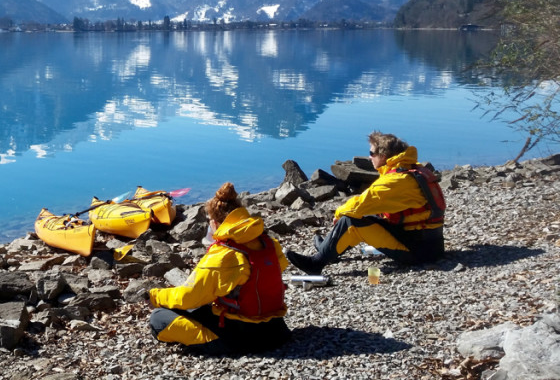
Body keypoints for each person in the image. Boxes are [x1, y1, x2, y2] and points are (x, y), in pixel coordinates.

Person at [148, 182, 291, 353]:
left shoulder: (224, 255)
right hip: (277, 329)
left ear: (215, 223)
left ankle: (217, 343)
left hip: (244, 337)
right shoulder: (269, 243)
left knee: (158, 318)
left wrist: (155, 296)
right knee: (198, 305)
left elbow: (188, 297)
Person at [285, 131, 445, 276]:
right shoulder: (412, 171)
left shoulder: (397, 181)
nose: (369, 157)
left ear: (383, 156)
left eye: (371, 153)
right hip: (428, 244)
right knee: (363, 217)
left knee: (350, 220)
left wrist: (339, 214)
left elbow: (361, 203)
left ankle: (316, 263)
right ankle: (329, 250)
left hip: (418, 251)